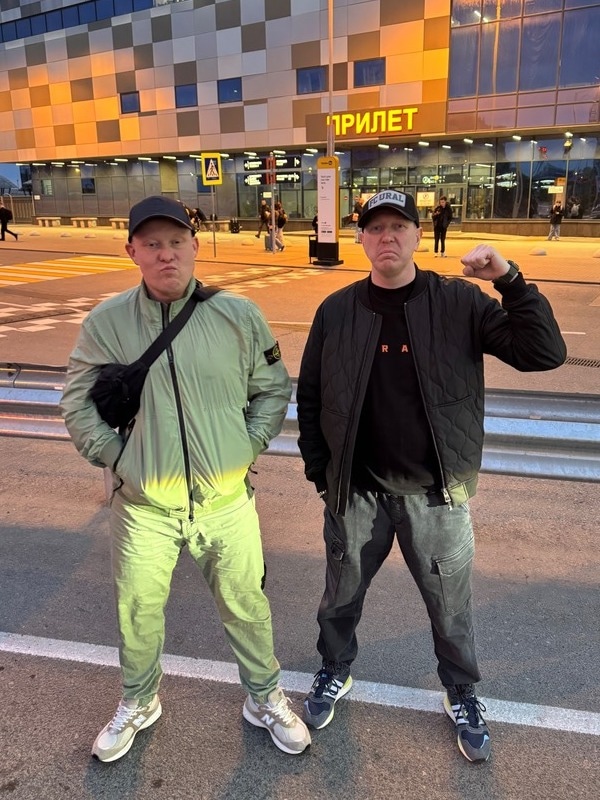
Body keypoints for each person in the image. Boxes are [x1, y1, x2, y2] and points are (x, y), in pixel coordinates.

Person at [296, 189, 566, 763]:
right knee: (339, 596)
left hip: (436, 495)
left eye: (398, 226)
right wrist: (323, 474)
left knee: (450, 606)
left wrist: (510, 280)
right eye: (375, 228)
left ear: (420, 235)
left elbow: (544, 353)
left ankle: (461, 690)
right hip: (357, 493)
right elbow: (312, 395)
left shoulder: (459, 303)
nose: (386, 237)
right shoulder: (337, 310)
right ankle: (334, 669)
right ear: (360, 238)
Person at [61, 195, 310, 762]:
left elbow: (272, 390)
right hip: (144, 507)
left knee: (247, 606)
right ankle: (139, 700)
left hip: (227, 502)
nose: (165, 254)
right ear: (132, 251)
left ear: (195, 246)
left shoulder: (237, 315)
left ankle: (264, 697)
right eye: (151, 244)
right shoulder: (106, 322)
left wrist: (244, 447)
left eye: (176, 242)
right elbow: (77, 405)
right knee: (137, 612)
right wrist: (120, 459)